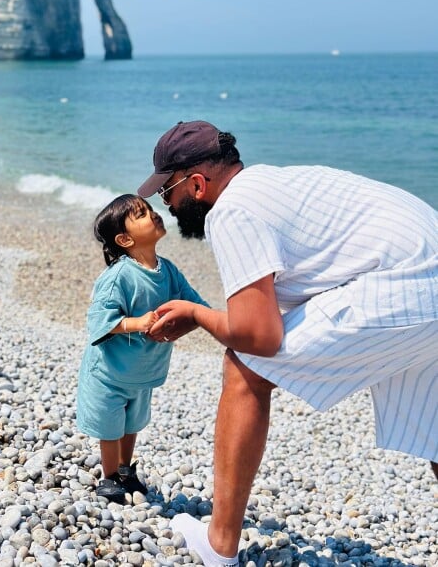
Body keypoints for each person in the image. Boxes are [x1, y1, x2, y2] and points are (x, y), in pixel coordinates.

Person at [137, 120, 437, 567]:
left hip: (406, 285)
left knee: (246, 367)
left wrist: (197, 314)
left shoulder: (232, 210)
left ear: (196, 184)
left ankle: (219, 546)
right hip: (424, 269)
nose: (168, 206)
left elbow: (259, 336)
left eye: (168, 193)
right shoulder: (274, 184)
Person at [76, 193, 208, 504]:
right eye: (141, 214)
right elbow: (99, 318)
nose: (153, 214)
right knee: (110, 426)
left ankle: (125, 469)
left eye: (149, 209)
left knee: (132, 423)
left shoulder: (168, 270)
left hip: (142, 371)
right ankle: (109, 479)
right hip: (109, 372)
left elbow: (192, 302)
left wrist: (206, 318)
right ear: (123, 239)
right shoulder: (120, 275)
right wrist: (136, 323)